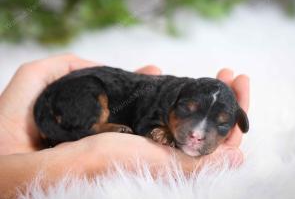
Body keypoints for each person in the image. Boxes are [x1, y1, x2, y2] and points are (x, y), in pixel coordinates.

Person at [0, 54, 249, 198]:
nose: (197, 133)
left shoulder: (174, 102)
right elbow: (146, 125)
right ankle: (87, 128)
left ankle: (72, 133)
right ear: (173, 101)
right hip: (81, 90)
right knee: (91, 92)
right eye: (187, 111)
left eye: (222, 125)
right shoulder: (159, 103)